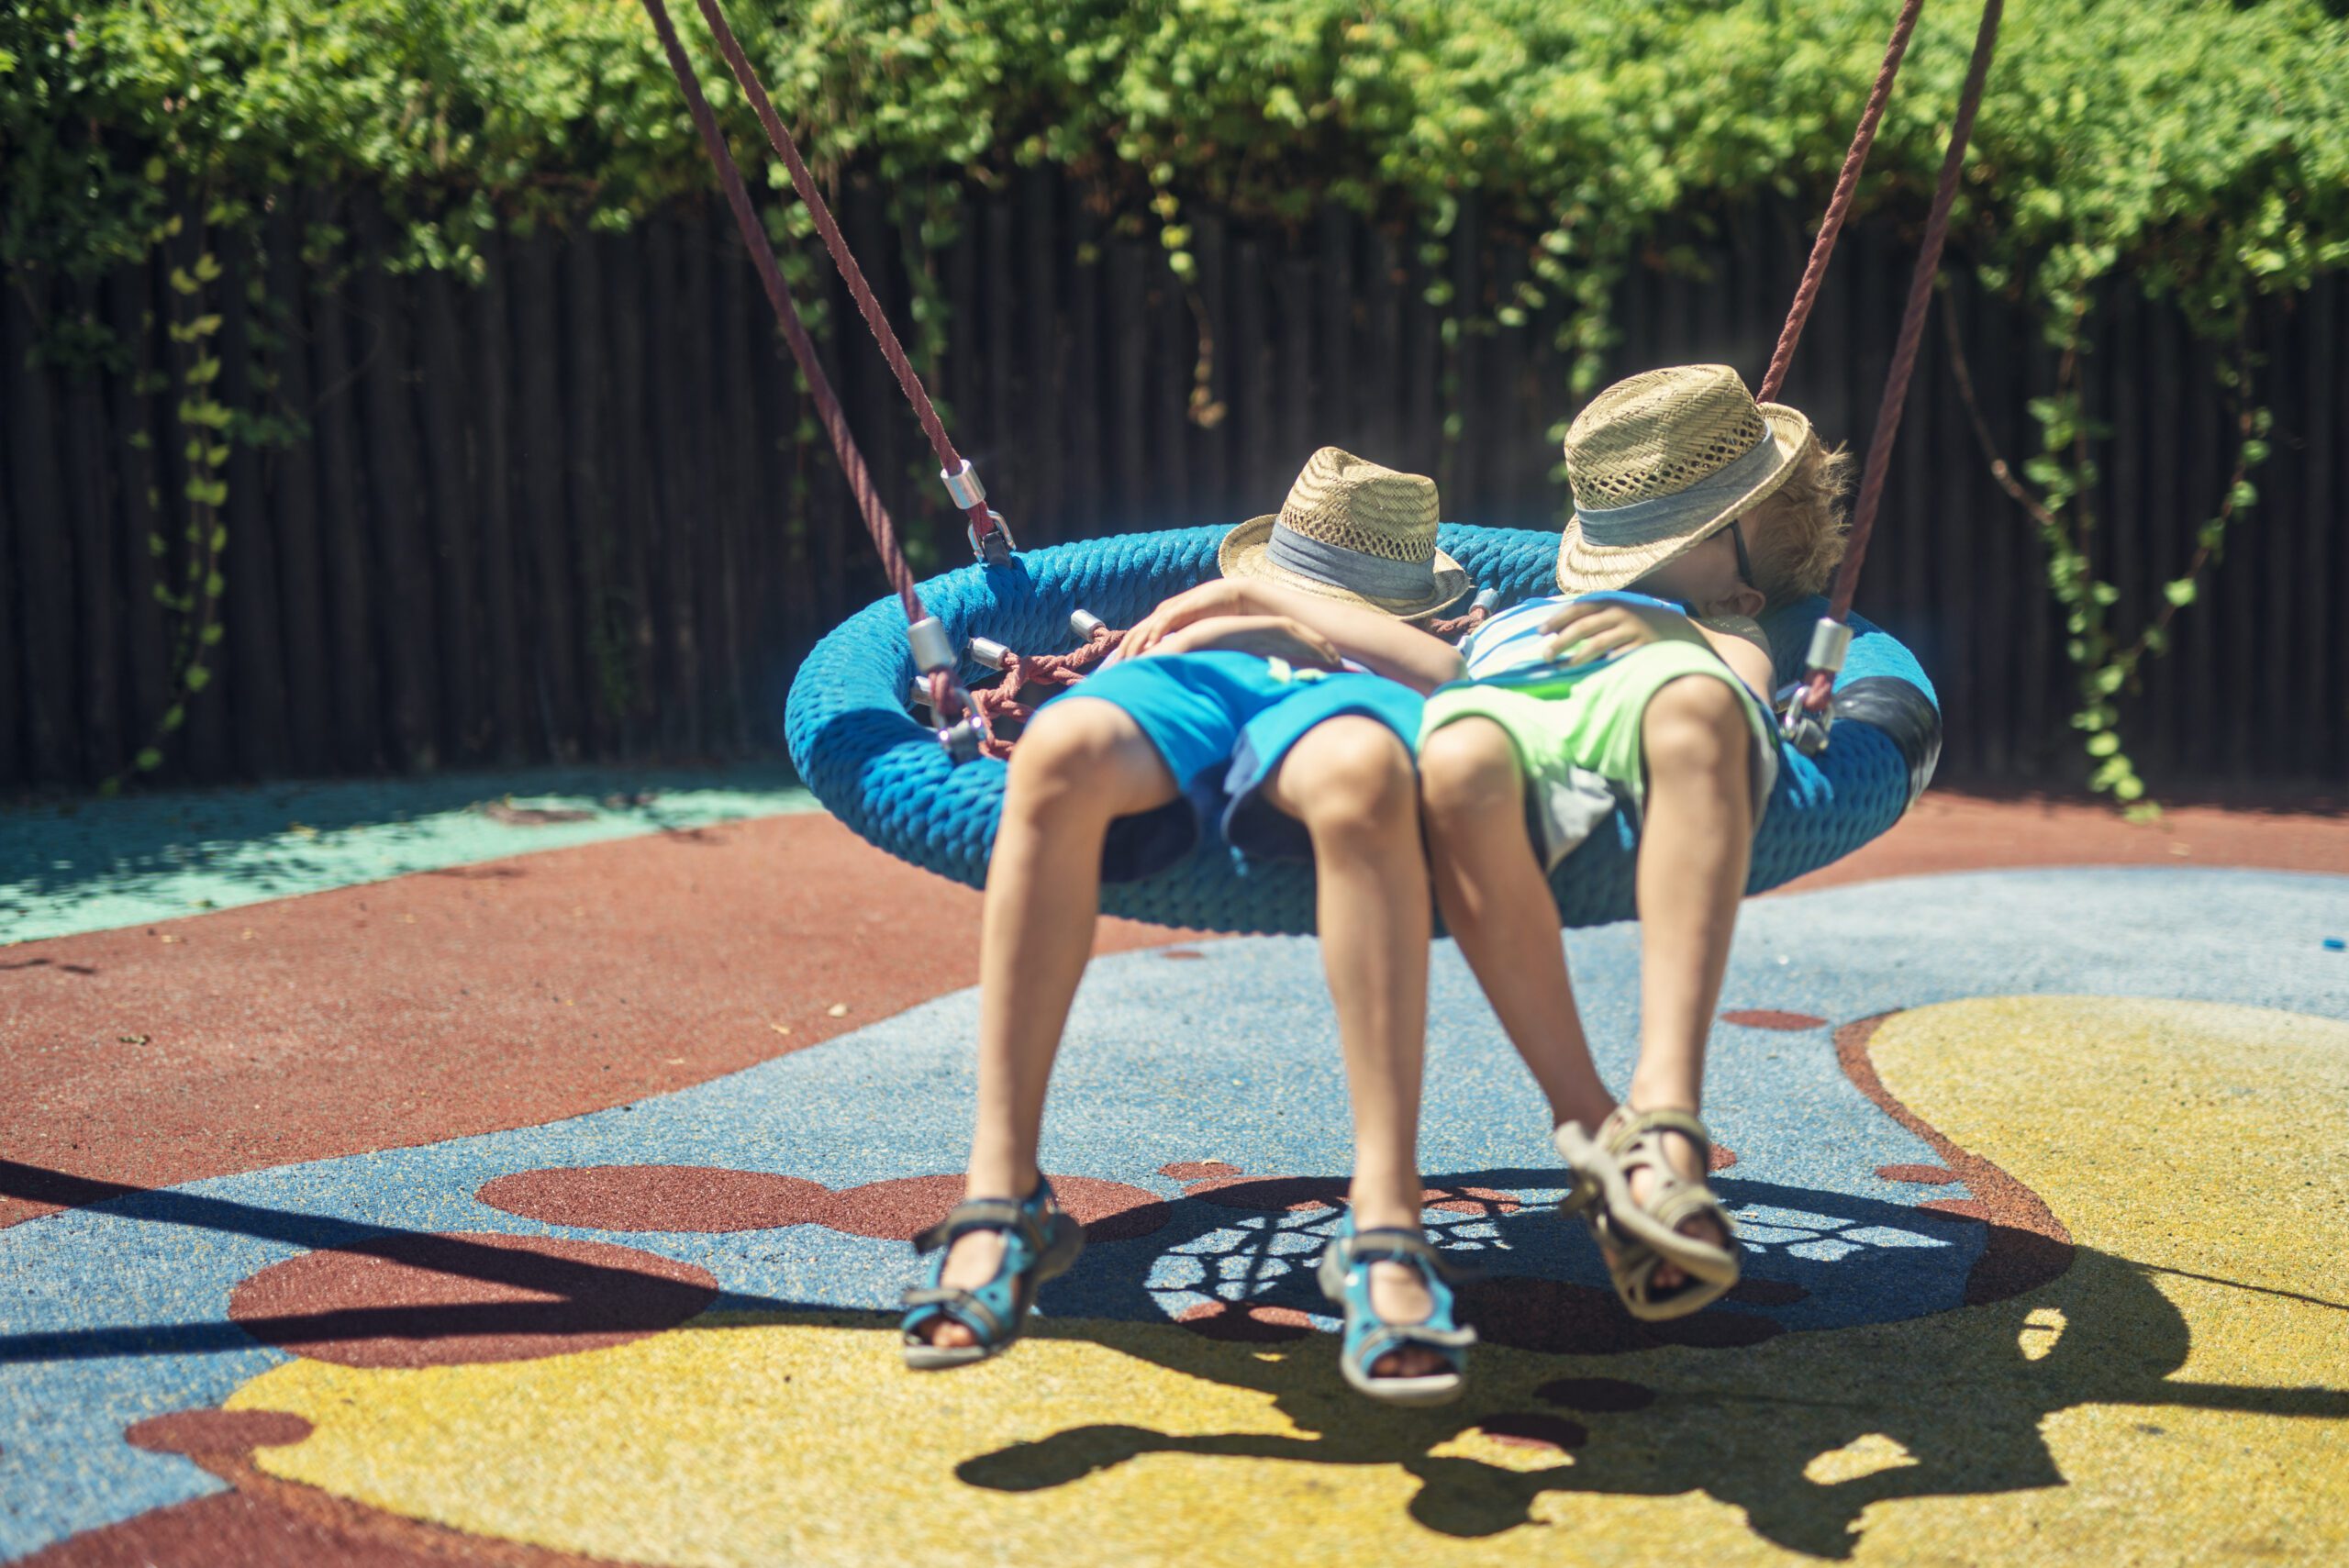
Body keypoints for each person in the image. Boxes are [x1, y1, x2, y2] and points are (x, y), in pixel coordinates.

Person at [901, 447, 1476, 1404]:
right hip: (1189, 690)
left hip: (1344, 694)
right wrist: (1232, 615)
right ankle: (1002, 1196)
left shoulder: (1389, 641)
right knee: (1062, 746)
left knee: (1364, 778)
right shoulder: (1200, 610)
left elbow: (1449, 670)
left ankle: (1384, 1214)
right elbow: (1139, 660)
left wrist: (1289, 616)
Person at [1417, 364, 1853, 1320]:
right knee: (1456, 759)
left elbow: (1737, 694)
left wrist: (1678, 643)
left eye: (1704, 540)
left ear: (1740, 583)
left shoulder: (1715, 628)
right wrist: (1260, 608)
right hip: (1504, 703)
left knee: (1698, 709)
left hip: (1656, 690)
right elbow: (1436, 668)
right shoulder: (1511, 616)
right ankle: (1591, 1120)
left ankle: (1664, 1116)